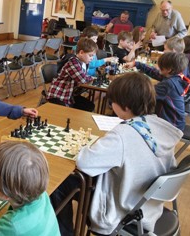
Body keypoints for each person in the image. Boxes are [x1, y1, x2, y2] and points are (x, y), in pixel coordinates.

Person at [51, 72, 181, 235]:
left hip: (123, 210)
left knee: (60, 183)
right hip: (149, 204)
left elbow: (84, 162)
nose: (111, 105)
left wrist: (85, 147)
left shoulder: (122, 135)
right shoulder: (159, 125)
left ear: (125, 106)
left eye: (112, 102)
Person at [130, 52, 190, 130]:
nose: (158, 68)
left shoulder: (168, 85)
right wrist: (137, 64)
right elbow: (155, 72)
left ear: (169, 69)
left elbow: (145, 94)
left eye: (161, 67)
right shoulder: (176, 77)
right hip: (176, 122)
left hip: (171, 125)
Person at [46, 38, 96, 112]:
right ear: (81, 52)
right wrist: (91, 78)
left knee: (90, 106)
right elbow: (82, 79)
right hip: (59, 95)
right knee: (85, 107)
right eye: (90, 55)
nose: (92, 58)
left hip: (69, 95)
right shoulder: (73, 62)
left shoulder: (82, 63)